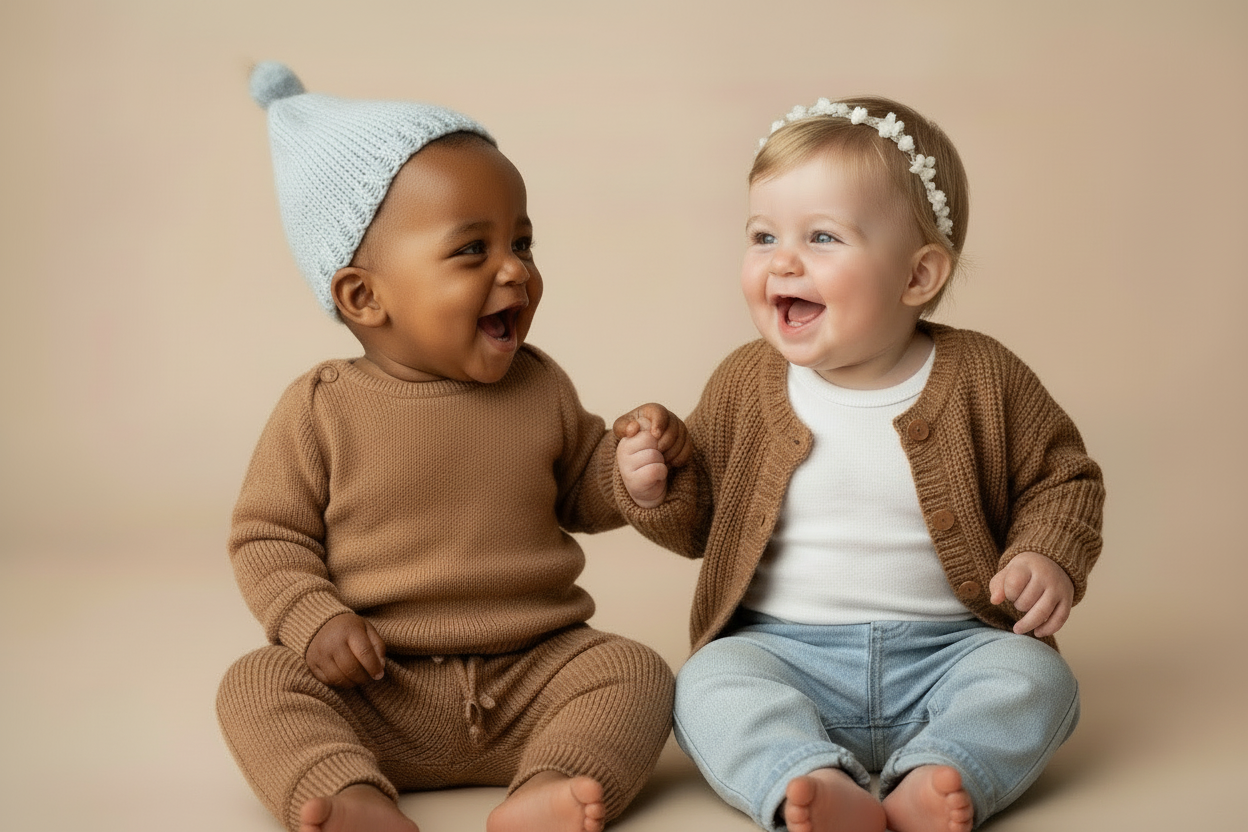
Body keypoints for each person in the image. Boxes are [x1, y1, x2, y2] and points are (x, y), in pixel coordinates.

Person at [218, 62, 688, 832]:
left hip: (536, 672)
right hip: (378, 686)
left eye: (524, 243)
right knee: (256, 684)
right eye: (473, 250)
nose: (516, 271)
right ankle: (351, 793)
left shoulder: (539, 385)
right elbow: (268, 536)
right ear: (365, 296)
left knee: (635, 671)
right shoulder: (322, 408)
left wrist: (628, 471)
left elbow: (580, 487)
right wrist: (314, 622)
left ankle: (553, 783)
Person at [614, 97, 1104, 832]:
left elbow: (1063, 477)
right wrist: (656, 485)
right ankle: (804, 777)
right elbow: (700, 522)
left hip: (951, 650)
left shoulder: (983, 375)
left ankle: (943, 768)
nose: (783, 260)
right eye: (762, 235)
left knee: (1039, 679)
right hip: (783, 652)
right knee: (706, 685)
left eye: (821, 237)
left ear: (917, 276)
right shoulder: (747, 381)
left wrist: (1047, 553)